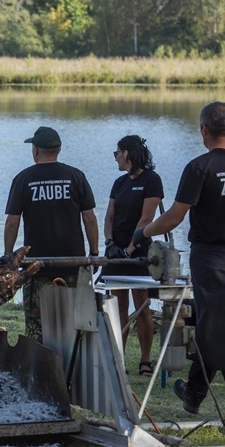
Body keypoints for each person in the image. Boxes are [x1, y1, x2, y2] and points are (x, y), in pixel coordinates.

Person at [132, 101, 225, 414]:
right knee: (210, 320)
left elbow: (173, 217)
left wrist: (143, 234)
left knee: (212, 326)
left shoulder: (199, 167)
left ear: (203, 130)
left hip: (211, 257)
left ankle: (195, 392)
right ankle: (194, 392)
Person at [3, 126, 99, 343]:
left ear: (36, 150)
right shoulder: (76, 176)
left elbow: (12, 223)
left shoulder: (24, 178)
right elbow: (90, 219)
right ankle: (72, 372)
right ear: (58, 149)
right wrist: (93, 252)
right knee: (75, 324)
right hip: (72, 264)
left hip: (36, 266)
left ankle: (41, 370)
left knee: (37, 327)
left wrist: (9, 256)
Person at [101, 135, 163, 377]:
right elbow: (108, 217)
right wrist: (109, 243)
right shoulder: (119, 182)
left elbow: (146, 219)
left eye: (116, 152)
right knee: (119, 307)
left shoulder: (152, 180)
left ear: (126, 153)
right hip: (117, 251)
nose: (115, 157)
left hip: (140, 252)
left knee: (142, 306)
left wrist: (130, 248)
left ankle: (145, 361)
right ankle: (119, 359)